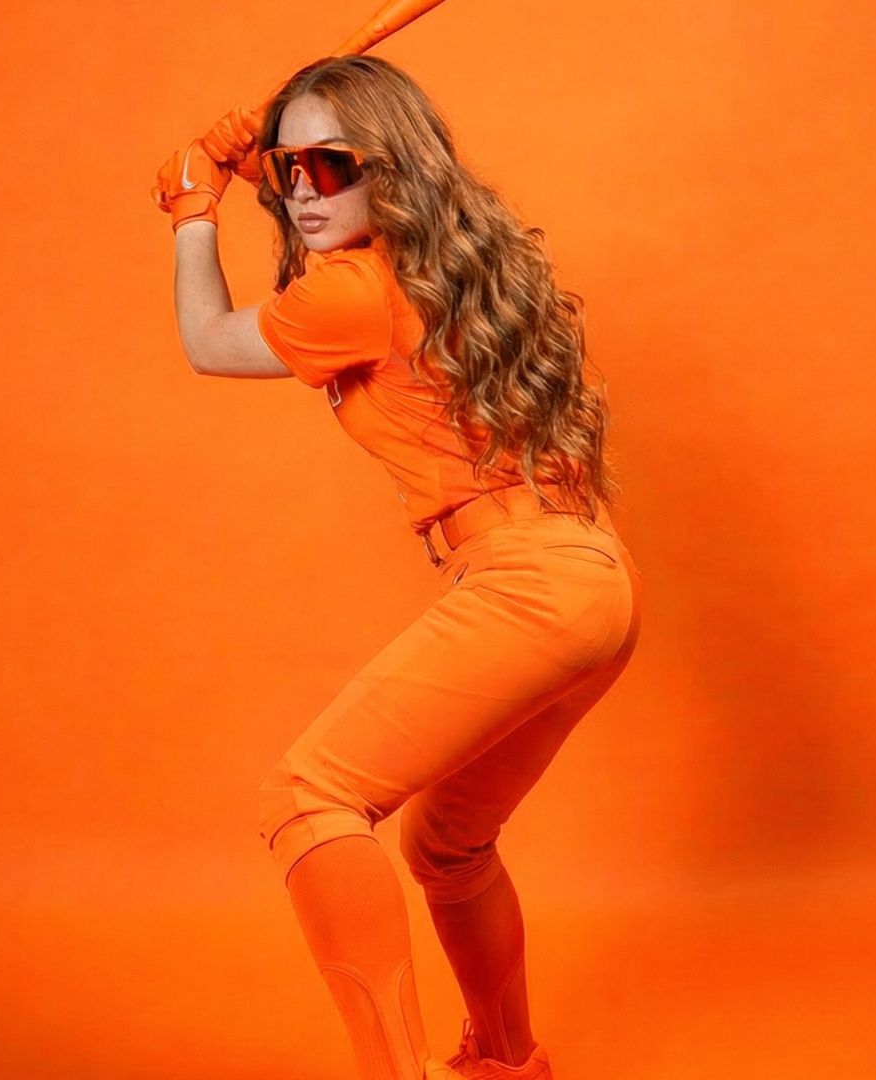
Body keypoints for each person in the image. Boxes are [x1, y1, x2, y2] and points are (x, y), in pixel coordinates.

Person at [152, 55, 643, 1080]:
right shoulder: (444, 264)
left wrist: (195, 206)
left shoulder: (354, 289)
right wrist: (260, 171)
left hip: (529, 583)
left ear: (392, 168)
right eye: (286, 168)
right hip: (591, 581)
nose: (302, 190)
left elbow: (208, 341)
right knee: (447, 846)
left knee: (306, 796)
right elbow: (316, 248)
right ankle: (506, 1064)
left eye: (329, 165)